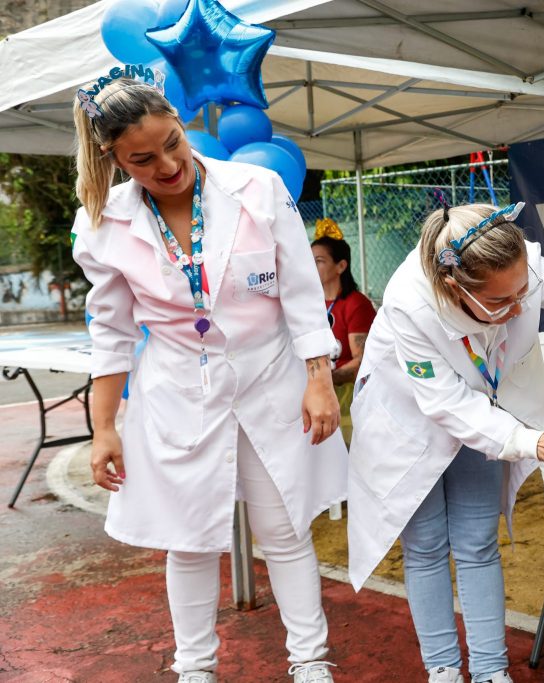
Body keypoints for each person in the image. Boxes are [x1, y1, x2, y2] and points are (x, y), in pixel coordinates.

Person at [70, 73, 344, 683]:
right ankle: (195, 668)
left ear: (179, 123)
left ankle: (310, 662)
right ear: (112, 159)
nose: (168, 164)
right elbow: (111, 335)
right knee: (188, 538)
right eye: (142, 159)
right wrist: (104, 428)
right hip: (178, 394)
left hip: (270, 383)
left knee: (283, 529)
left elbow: (301, 291)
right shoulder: (103, 226)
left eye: (173, 142)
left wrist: (318, 378)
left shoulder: (258, 187)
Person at [346, 201, 544, 683]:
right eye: (503, 302)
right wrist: (531, 441)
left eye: (524, 291)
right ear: (452, 286)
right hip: (406, 420)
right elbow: (444, 403)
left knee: (478, 539)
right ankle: (442, 669)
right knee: (425, 544)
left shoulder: (524, 260)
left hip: (484, 409)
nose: (521, 307)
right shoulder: (409, 300)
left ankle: (489, 671)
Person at [310, 218, 376, 442]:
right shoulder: (307, 304)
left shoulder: (356, 304)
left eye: (318, 261)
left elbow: (362, 360)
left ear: (341, 266)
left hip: (348, 398)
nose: (311, 266)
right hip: (314, 393)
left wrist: (324, 379)